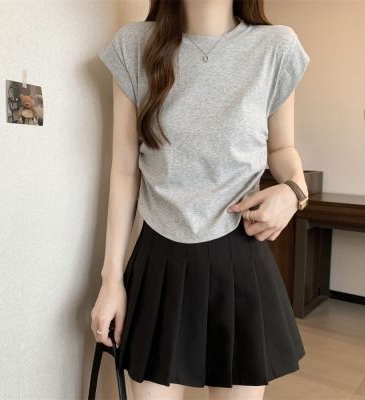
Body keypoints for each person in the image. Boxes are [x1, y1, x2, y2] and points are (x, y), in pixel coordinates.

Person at [91, 0, 311, 399]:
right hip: (158, 261)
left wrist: (294, 190)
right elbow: (124, 170)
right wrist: (111, 281)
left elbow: (282, 149)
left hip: (240, 257)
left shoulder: (275, 46)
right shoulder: (133, 45)